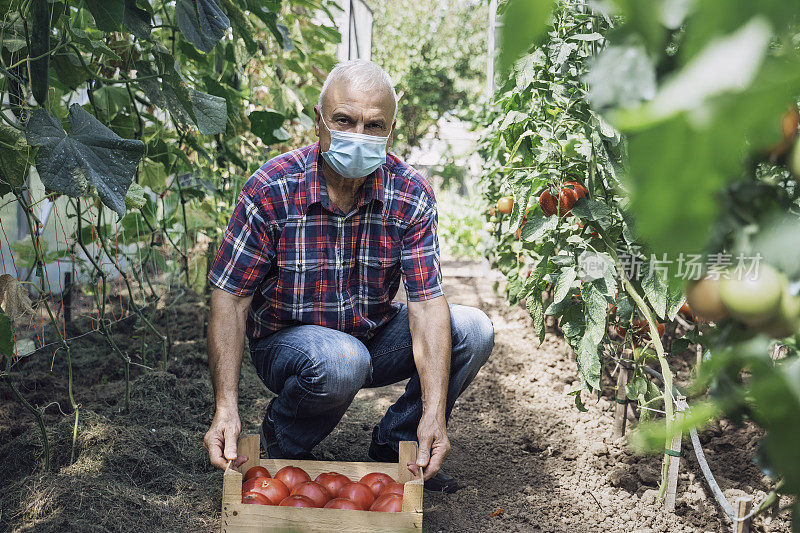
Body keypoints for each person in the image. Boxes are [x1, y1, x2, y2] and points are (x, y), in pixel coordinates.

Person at [202, 59, 494, 492]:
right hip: (288, 344)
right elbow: (231, 297)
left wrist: (434, 410)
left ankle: (400, 443)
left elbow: (427, 304)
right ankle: (284, 445)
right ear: (319, 123)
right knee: (341, 360)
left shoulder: (409, 194)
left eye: (374, 126)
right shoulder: (272, 188)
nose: (358, 136)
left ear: (390, 132)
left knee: (473, 329)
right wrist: (225, 403)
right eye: (344, 120)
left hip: (371, 333)